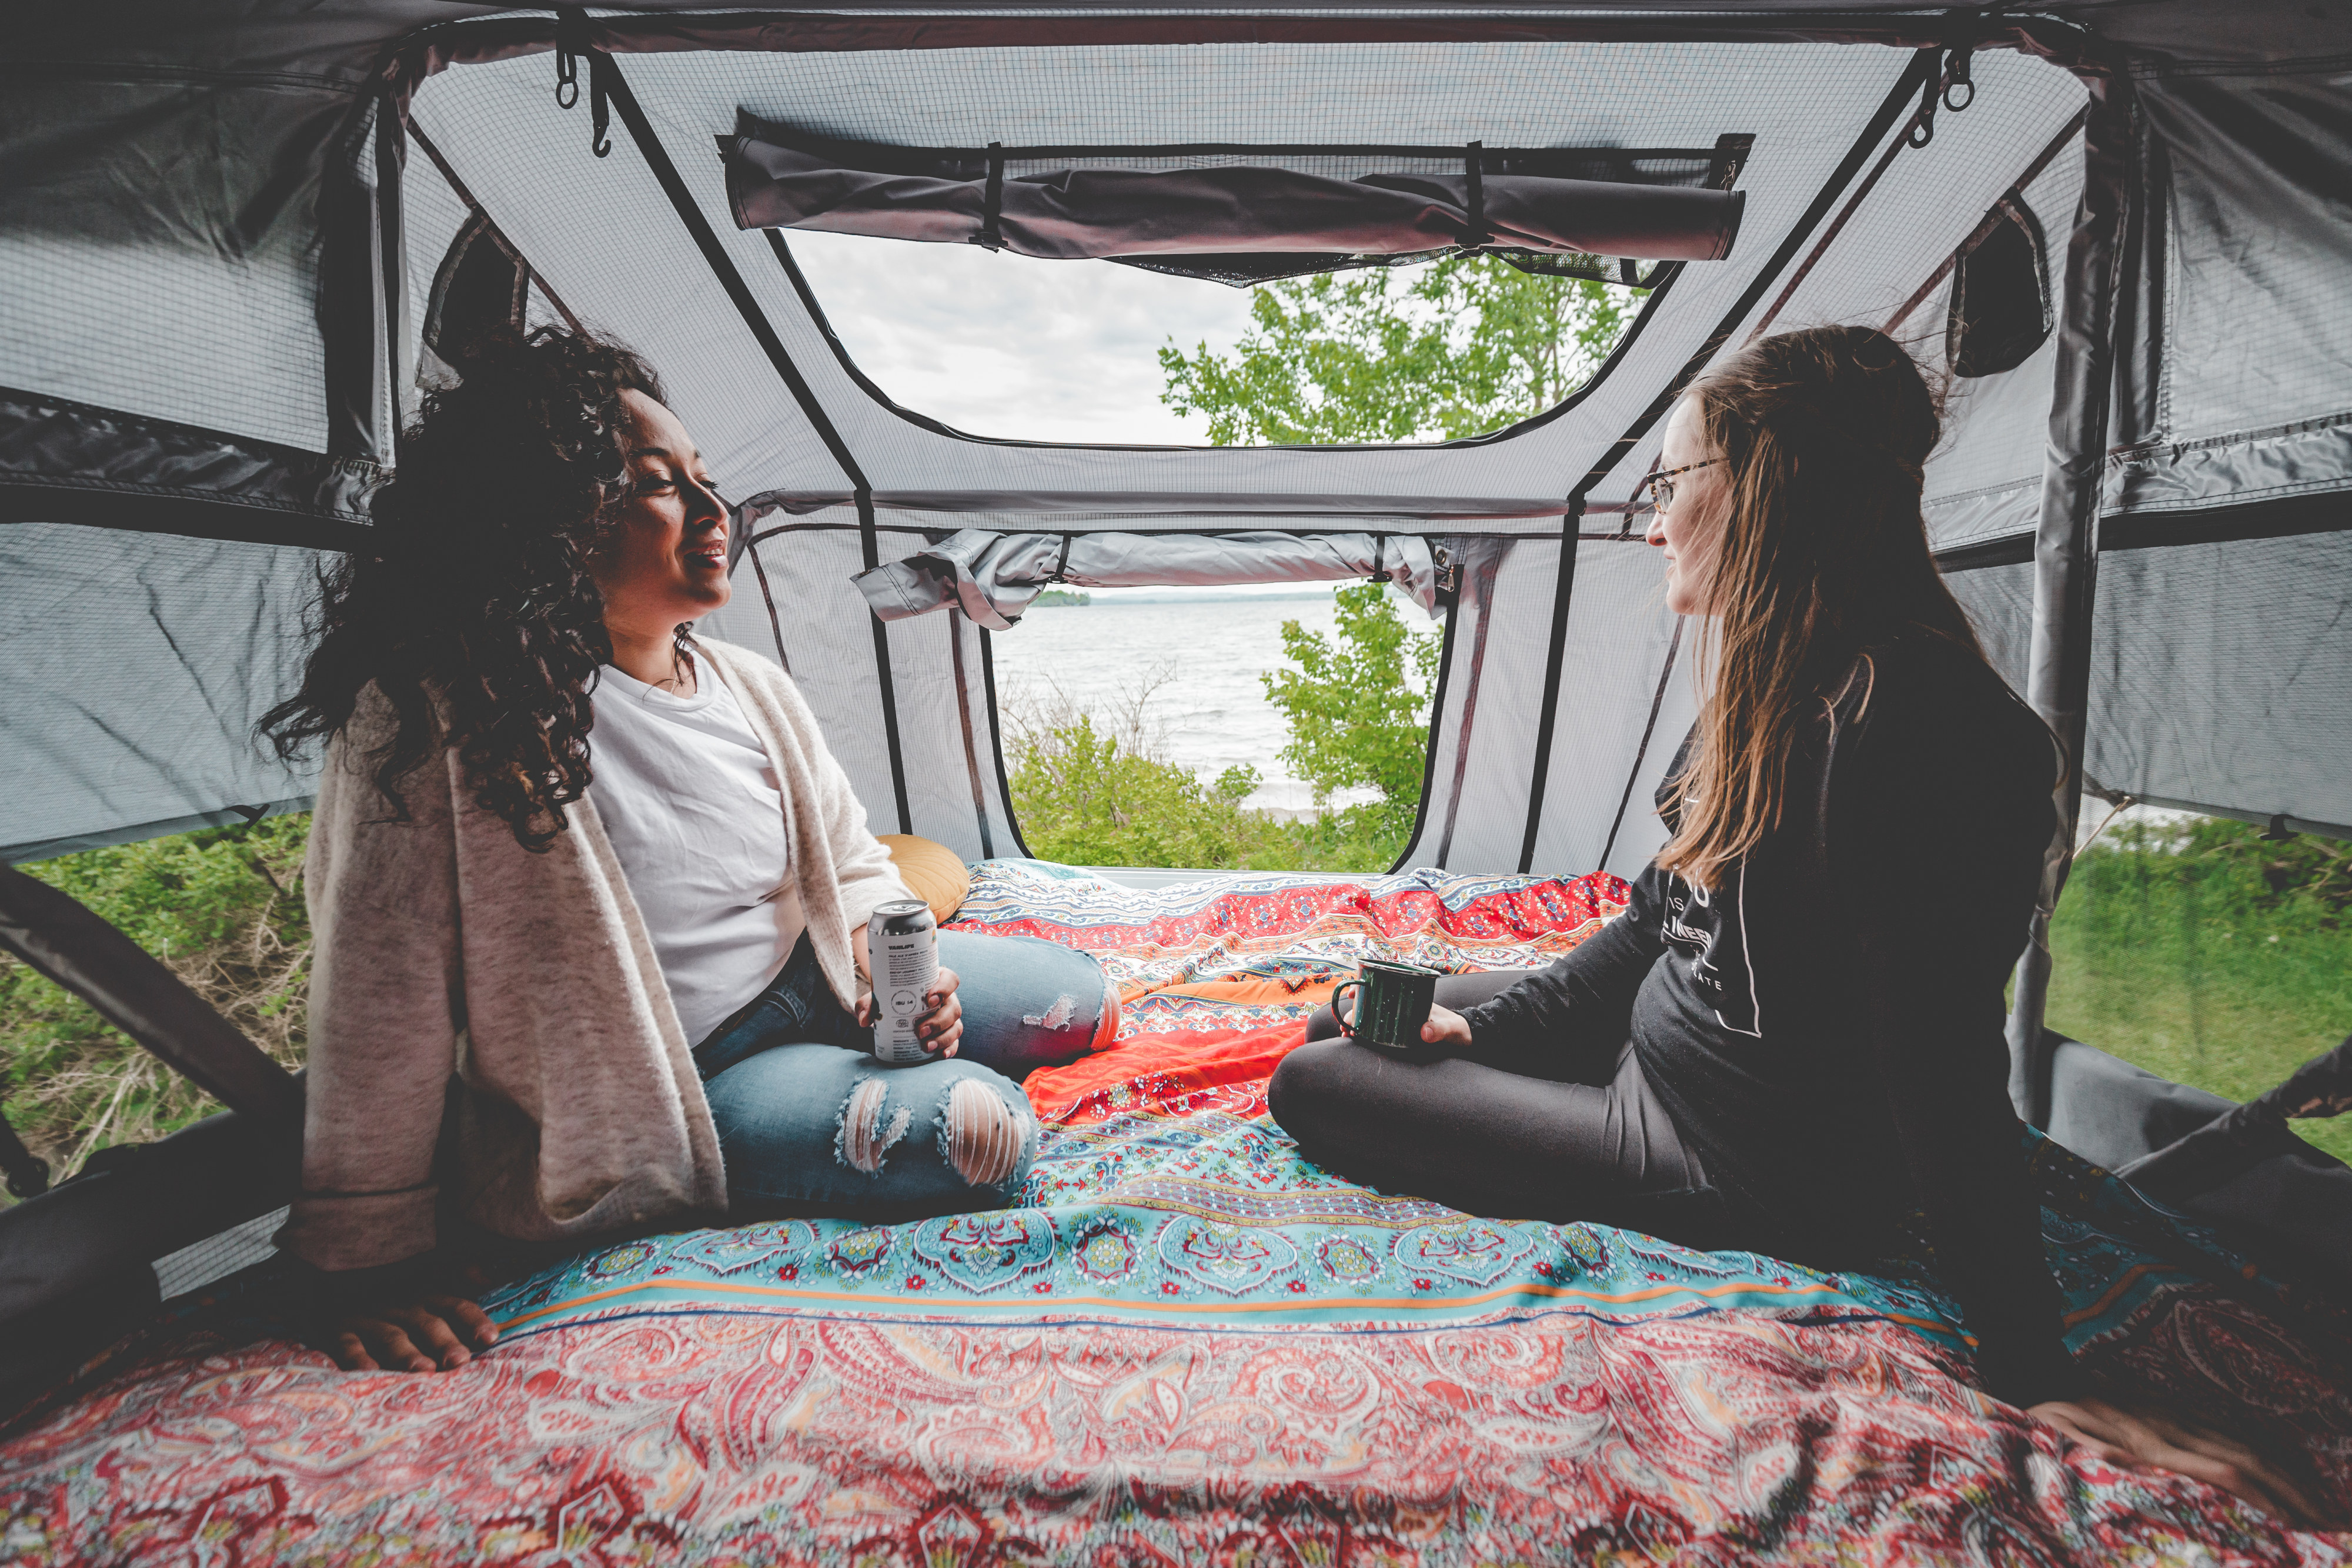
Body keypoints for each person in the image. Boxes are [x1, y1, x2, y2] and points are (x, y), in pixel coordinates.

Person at [1269, 326, 2325, 1528]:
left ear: (1758, 489)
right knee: (1356, 1009)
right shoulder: (1771, 681)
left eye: (1669, 484)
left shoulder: (1924, 738)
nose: (1651, 521)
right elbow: (1659, 923)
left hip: (1724, 1151)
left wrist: (2031, 1361)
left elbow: (1939, 1071)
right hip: (1649, 1044)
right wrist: (1494, 1027)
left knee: (1315, 1079)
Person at [260, 327, 1115, 1375]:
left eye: (707, 482)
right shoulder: (440, 719)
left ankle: (866, 1059)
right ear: (550, 523)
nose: (714, 516)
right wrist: (363, 1256)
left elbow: (850, 864)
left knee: (1082, 996)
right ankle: (816, 1103)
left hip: (817, 986)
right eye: (660, 487)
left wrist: (903, 981)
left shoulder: (751, 686)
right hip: (687, 1081)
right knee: (983, 1136)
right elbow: (377, 995)